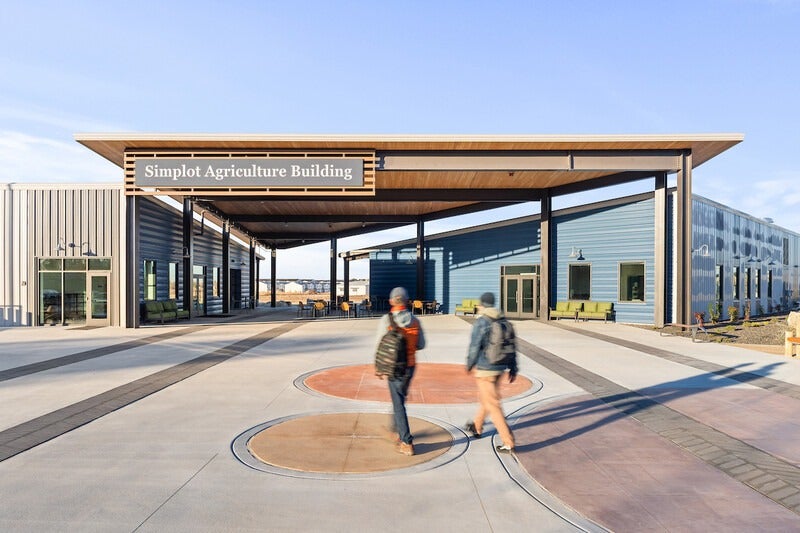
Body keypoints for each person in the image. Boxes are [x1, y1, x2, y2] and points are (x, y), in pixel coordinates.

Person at [375, 286, 426, 456]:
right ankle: (396, 428)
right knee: (399, 399)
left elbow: (380, 345)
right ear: (407, 301)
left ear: (391, 301)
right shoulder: (415, 321)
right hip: (410, 366)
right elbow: (421, 344)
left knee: (398, 404)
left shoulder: (386, 320)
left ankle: (406, 441)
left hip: (393, 367)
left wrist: (378, 367)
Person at [465, 291, 518, 453]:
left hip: (485, 369)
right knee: (486, 399)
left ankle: (508, 441)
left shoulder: (482, 322)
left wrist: (469, 363)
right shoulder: (503, 321)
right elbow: (512, 345)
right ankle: (477, 426)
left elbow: (475, 346)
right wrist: (513, 367)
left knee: (493, 405)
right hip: (500, 366)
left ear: (482, 304)